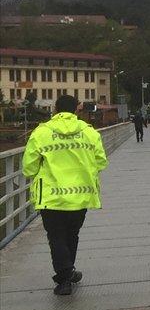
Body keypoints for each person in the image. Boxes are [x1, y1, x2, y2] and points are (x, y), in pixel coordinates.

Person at [22, 95, 109, 295]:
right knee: (72, 235)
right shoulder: (89, 133)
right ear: (77, 110)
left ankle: (64, 280)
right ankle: (68, 272)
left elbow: (29, 168)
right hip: (80, 195)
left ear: (55, 110)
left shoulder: (41, 132)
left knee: (56, 237)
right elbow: (101, 162)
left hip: (51, 197)